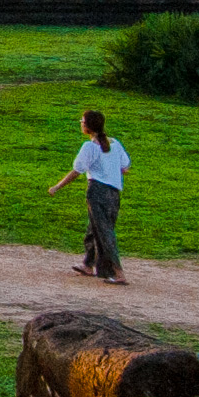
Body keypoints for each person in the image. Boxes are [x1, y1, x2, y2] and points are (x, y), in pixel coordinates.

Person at [55, 107, 129, 281]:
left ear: (88, 126)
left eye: (82, 121)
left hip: (97, 192)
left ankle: (118, 272)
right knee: (94, 227)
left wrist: (57, 187)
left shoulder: (89, 147)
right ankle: (88, 264)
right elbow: (125, 166)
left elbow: (77, 171)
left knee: (104, 231)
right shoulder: (115, 144)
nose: (80, 123)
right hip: (114, 193)